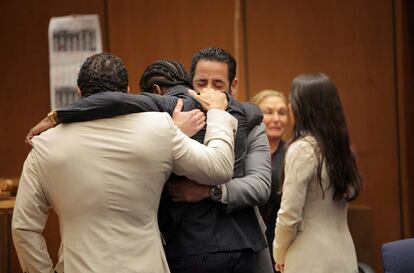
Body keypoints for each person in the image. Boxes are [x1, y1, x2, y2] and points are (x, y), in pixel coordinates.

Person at [25, 49, 274, 273]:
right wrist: (214, 116)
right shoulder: (159, 129)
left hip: (78, 266)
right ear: (129, 92)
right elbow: (218, 168)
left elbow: (24, 228)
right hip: (148, 264)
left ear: (79, 92)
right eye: (201, 83)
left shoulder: (44, 144)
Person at [273, 73, 362, 273]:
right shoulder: (341, 149)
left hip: (309, 258)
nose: (289, 107)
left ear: (302, 108)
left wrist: (279, 253)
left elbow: (289, 215)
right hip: (344, 255)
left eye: (291, 101)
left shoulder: (303, 148)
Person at [251, 90, 289, 271]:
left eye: (282, 113)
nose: (276, 119)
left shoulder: (294, 153)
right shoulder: (244, 153)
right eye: (269, 112)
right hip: (249, 242)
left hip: (282, 244)